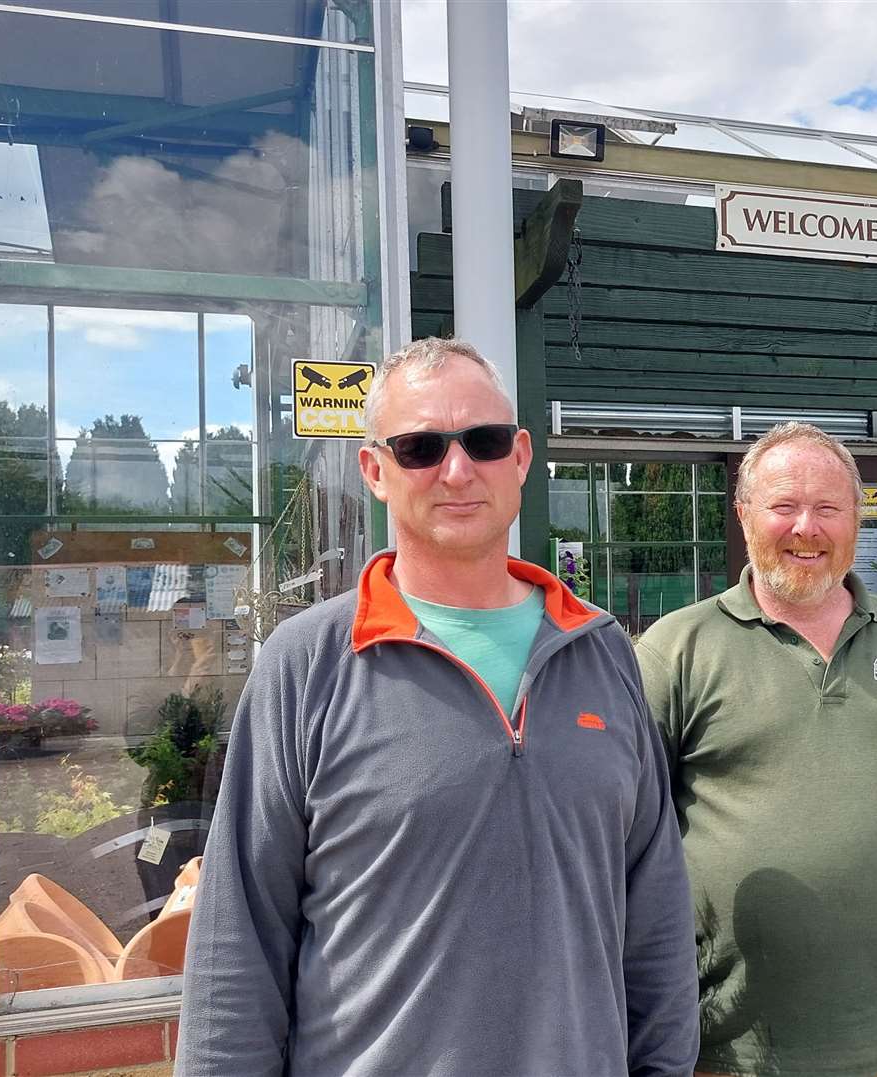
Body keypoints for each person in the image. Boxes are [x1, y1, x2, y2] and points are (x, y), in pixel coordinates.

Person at [177, 338, 698, 1076]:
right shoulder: (308, 666)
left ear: (519, 458)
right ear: (375, 471)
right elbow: (239, 947)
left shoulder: (600, 649)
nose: (457, 471)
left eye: (482, 442)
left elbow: (657, 918)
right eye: (421, 447)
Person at [636, 422, 877, 1077]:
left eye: (829, 508)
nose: (806, 527)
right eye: (784, 506)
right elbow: (625, 835)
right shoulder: (677, 650)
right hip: (739, 1051)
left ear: (857, 518)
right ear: (745, 515)